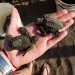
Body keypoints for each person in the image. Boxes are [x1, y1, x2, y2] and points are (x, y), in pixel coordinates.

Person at [0, 7, 75, 75]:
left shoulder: (29, 37)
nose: (37, 22)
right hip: (57, 25)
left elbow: (24, 32)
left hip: (15, 43)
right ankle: (30, 68)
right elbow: (25, 32)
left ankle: (29, 68)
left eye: (37, 21)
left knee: (13, 44)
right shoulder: (30, 40)